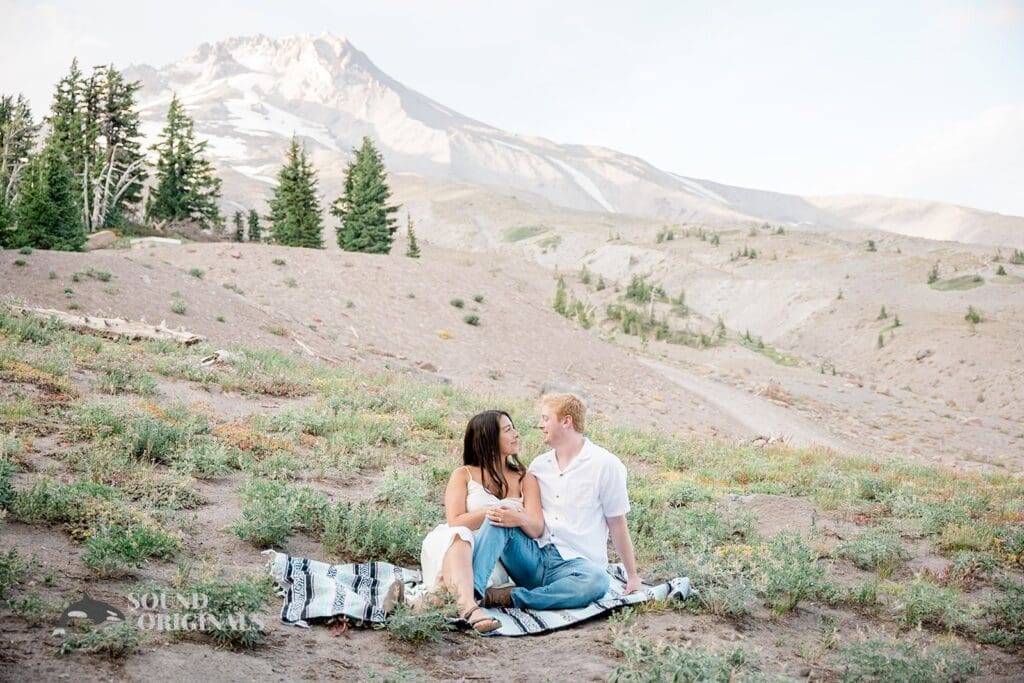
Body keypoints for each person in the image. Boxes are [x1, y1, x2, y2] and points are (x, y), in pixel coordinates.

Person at [471, 393, 643, 610]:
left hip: (575, 567)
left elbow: (617, 523)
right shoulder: (539, 466)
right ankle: (471, 594)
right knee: (498, 513)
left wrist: (632, 576)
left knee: (598, 582)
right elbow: (530, 519)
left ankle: (509, 597)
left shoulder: (606, 464)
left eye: (546, 418)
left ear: (566, 421)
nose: (540, 425)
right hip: (533, 557)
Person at [417, 410, 544, 632]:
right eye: (508, 430)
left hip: (496, 557)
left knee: (468, 546)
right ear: (489, 439)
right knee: (460, 535)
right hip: (457, 548)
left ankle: (425, 602)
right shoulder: (463, 474)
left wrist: (515, 517)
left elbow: (536, 528)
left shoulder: (525, 477)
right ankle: (469, 607)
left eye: (513, 428)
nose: (516, 434)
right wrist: (493, 511)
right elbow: (455, 520)